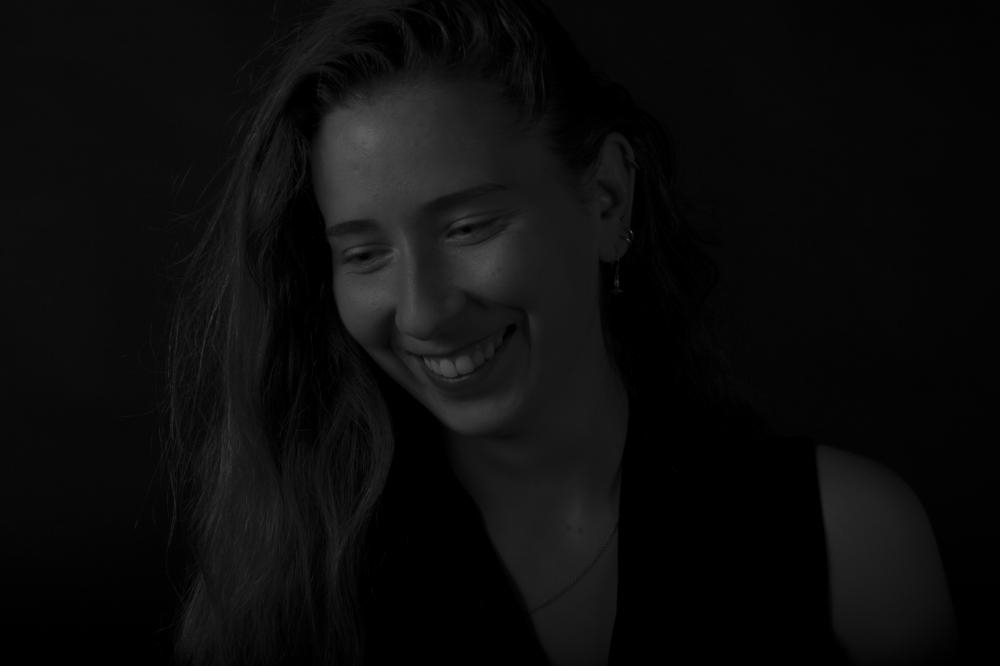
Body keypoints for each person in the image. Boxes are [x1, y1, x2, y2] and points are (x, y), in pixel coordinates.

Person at [162, 1, 959, 664]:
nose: (423, 312)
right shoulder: (279, 582)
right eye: (364, 253)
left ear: (606, 198)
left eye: (469, 226)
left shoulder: (851, 539)